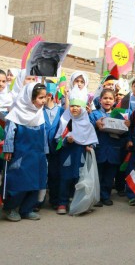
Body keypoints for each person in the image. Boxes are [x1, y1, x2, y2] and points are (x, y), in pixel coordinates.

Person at [2, 83, 48, 221]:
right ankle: (10, 208)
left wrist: (45, 152)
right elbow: (9, 133)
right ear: (30, 98)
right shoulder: (16, 114)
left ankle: (26, 209)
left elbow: (44, 134)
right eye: (41, 97)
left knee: (36, 183)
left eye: (45, 97)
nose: (44, 100)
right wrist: (8, 149)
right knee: (19, 183)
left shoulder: (39, 114)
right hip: (21, 155)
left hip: (38, 155)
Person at [55, 86, 98, 214]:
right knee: (65, 179)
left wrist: (90, 146)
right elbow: (57, 140)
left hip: (81, 156)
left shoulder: (87, 124)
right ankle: (62, 202)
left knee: (79, 179)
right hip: (67, 156)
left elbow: (93, 141)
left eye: (78, 106)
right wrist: (65, 141)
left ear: (83, 108)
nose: (74, 108)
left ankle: (77, 201)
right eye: (72, 105)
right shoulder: (65, 122)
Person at [89, 89, 130, 206]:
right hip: (99, 150)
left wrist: (127, 126)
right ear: (100, 100)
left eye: (110, 98)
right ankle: (96, 197)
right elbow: (87, 131)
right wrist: (95, 125)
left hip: (114, 150)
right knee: (98, 175)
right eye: (105, 98)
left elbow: (125, 135)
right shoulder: (94, 114)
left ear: (115, 101)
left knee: (109, 176)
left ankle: (105, 196)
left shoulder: (119, 115)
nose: (108, 101)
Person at [43, 80, 64, 209]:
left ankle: (54, 200)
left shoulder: (61, 111)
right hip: (41, 148)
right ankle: (37, 201)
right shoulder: (38, 111)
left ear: (49, 95)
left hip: (56, 150)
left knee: (55, 175)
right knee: (41, 174)